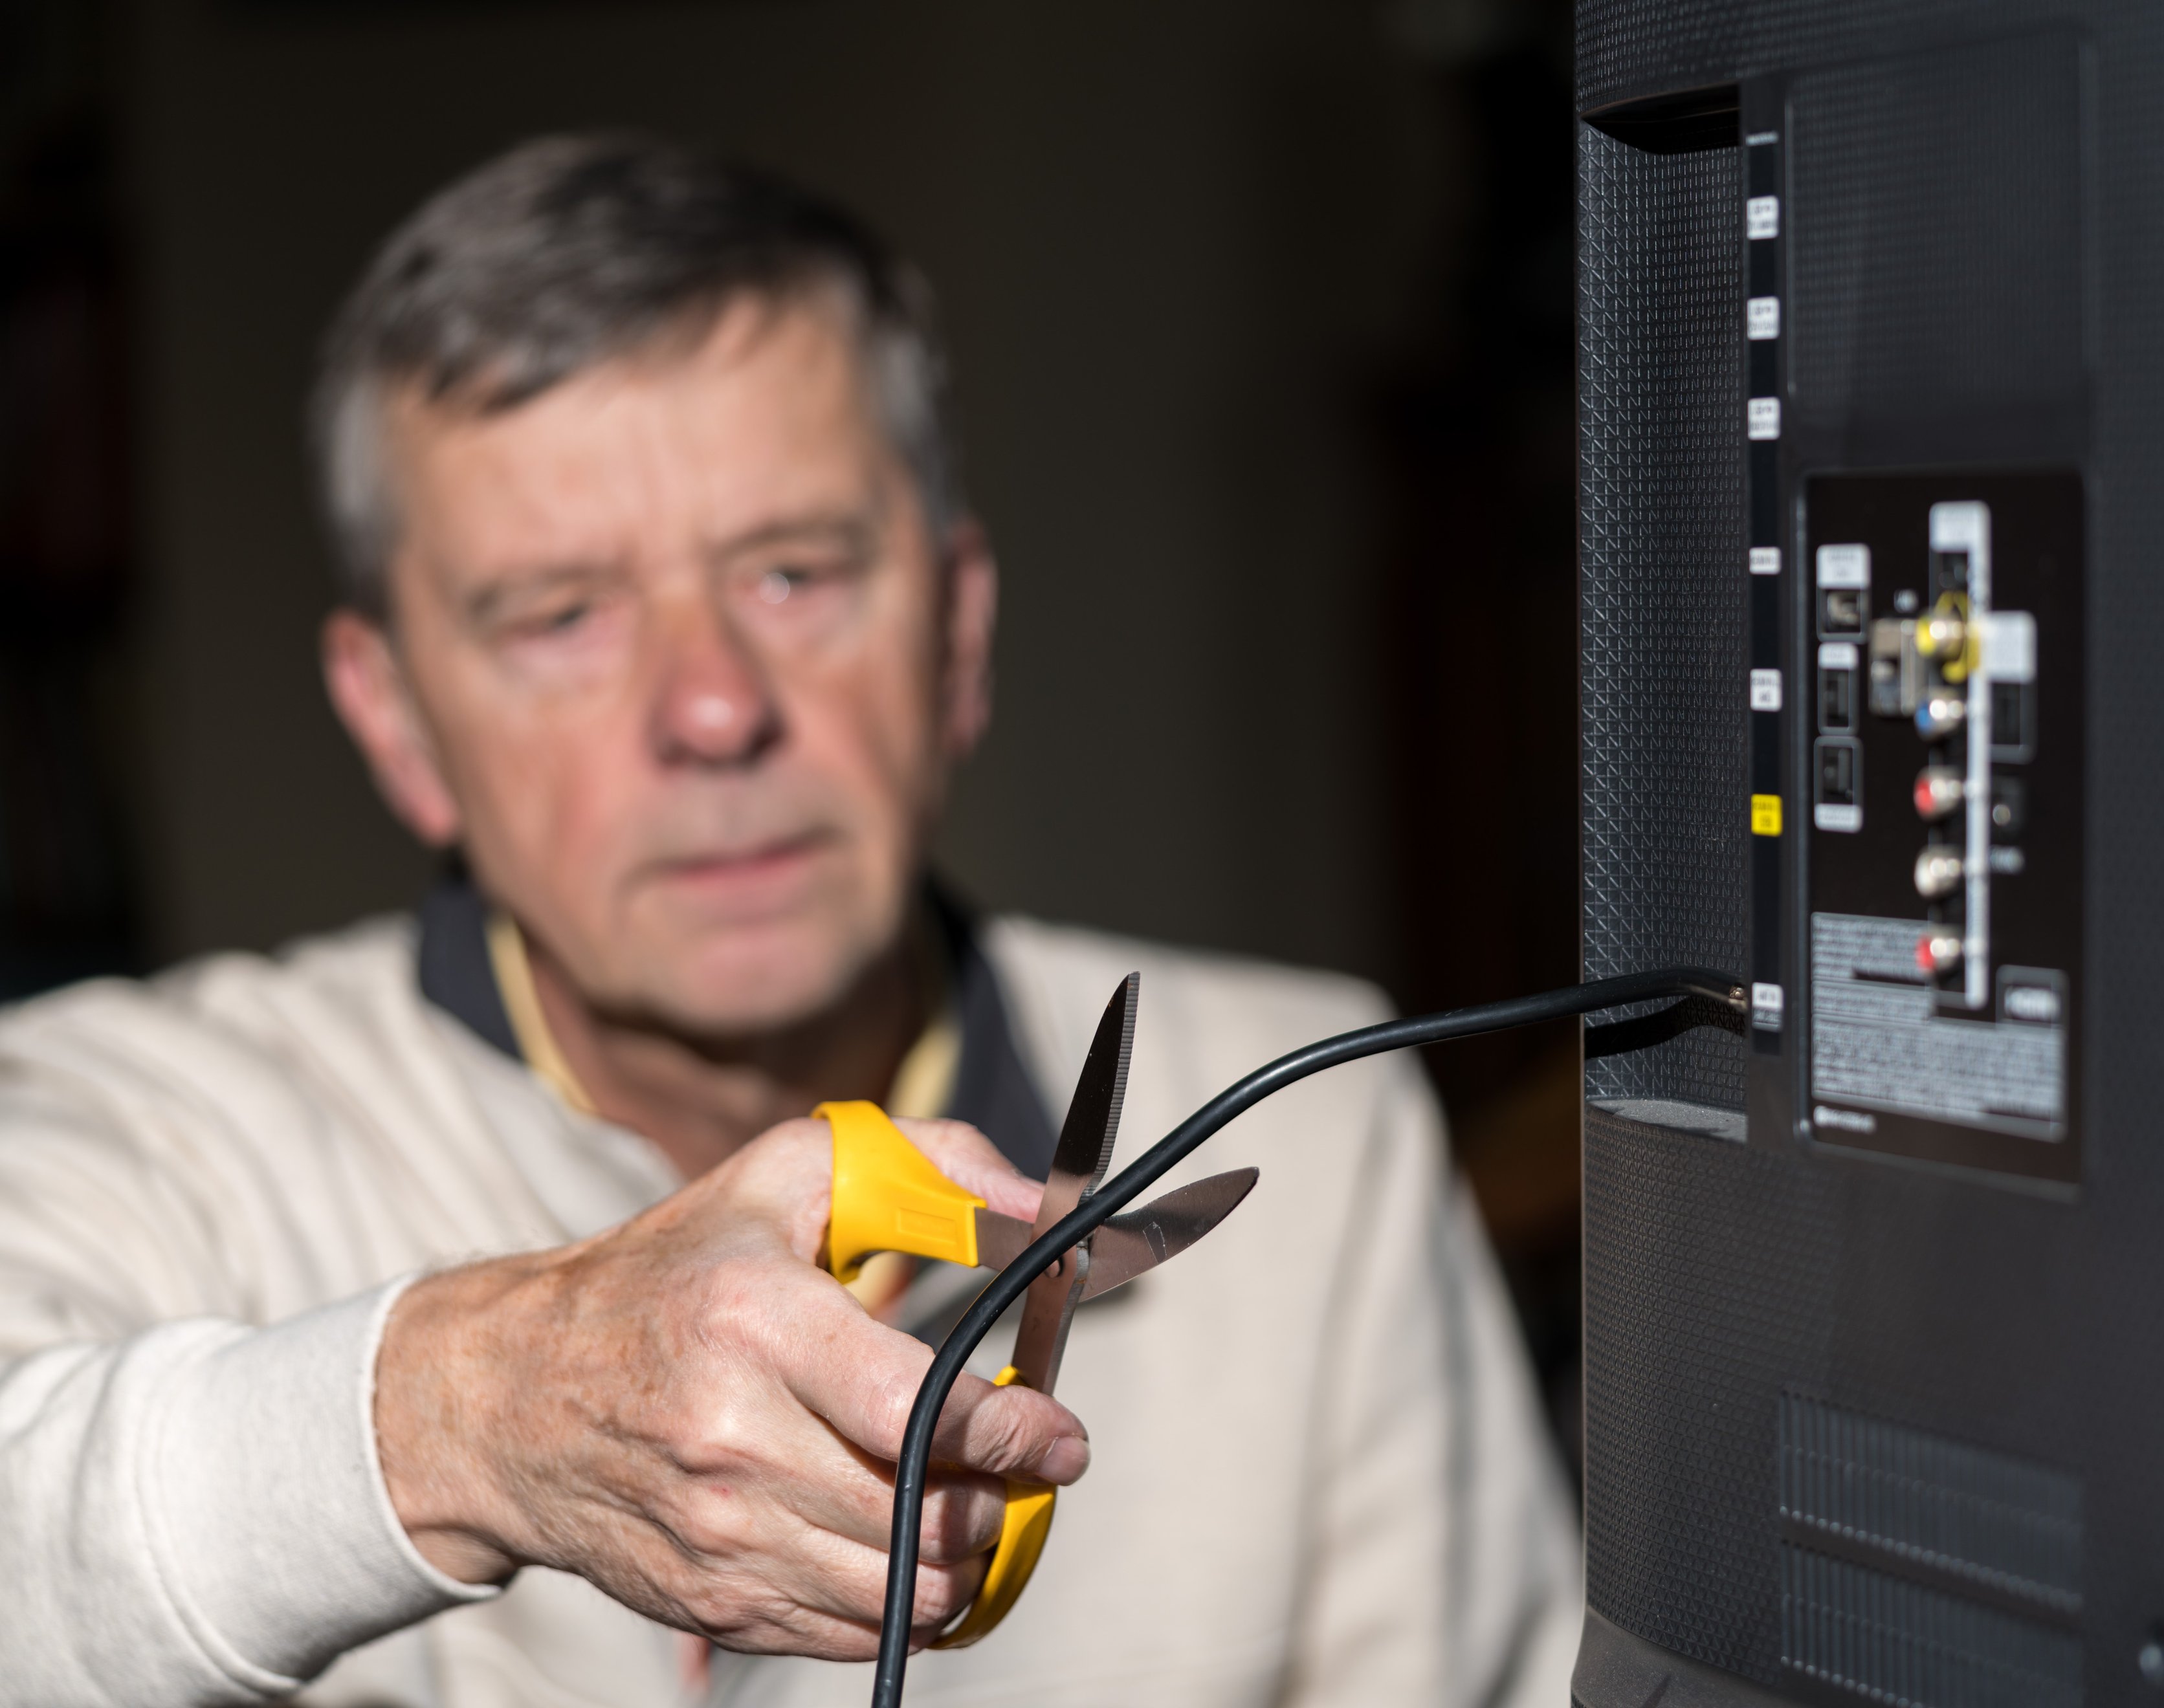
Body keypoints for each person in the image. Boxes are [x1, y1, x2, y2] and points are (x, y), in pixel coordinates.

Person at [0, 134, 1578, 1707]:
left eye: (794, 574)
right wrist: (477, 1409)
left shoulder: (1311, 1118)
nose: (711, 707)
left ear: (957, 634)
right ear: (398, 720)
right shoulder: (130, 1124)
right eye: (561, 615)